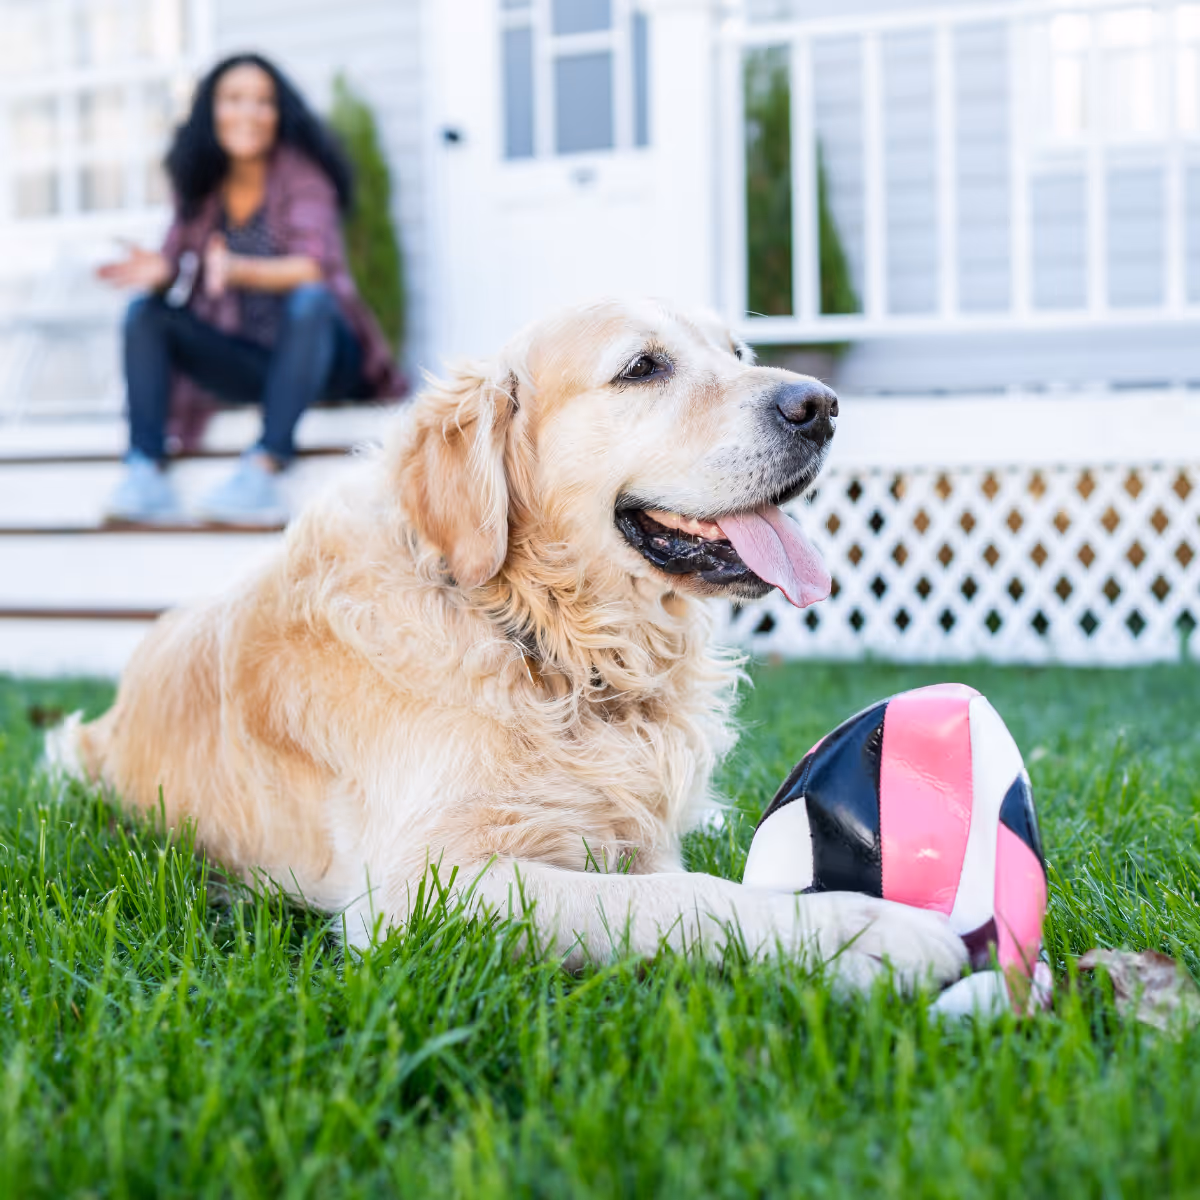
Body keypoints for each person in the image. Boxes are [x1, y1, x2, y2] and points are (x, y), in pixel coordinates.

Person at [97, 53, 404, 525]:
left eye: (263, 102)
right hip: (255, 363)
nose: (249, 113)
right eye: (234, 99)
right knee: (145, 314)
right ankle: (143, 471)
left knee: (312, 300)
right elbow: (173, 258)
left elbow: (313, 267)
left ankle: (264, 468)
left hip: (325, 358)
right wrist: (158, 272)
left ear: (279, 114)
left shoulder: (303, 175)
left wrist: (240, 269)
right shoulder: (200, 183)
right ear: (210, 109)